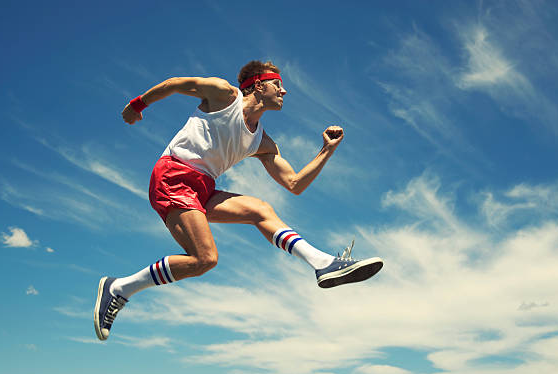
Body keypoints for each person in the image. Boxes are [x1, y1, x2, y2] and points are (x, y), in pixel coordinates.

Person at [94, 60, 383, 341]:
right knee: (205, 259)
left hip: (204, 187)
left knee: (260, 209)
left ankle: (323, 263)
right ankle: (119, 288)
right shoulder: (224, 95)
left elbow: (294, 184)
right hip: (174, 175)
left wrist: (326, 151)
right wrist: (137, 104)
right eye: (277, 85)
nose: (284, 91)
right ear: (257, 86)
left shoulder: (263, 143)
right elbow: (174, 84)